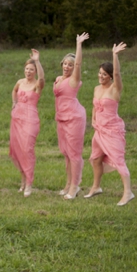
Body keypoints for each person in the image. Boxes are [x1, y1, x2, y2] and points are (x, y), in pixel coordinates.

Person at [84, 43, 134, 206]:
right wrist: (92, 120)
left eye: (104, 74)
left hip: (112, 130)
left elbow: (118, 73)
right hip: (99, 130)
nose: (101, 76)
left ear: (110, 76)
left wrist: (115, 55)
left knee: (118, 160)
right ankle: (96, 187)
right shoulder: (96, 88)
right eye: (99, 73)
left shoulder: (115, 89)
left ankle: (128, 193)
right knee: (96, 159)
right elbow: (94, 105)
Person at [53, 33, 89, 200]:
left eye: (71, 65)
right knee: (66, 153)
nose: (67, 67)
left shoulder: (74, 79)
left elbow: (79, 63)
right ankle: (68, 183)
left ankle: (75, 187)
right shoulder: (59, 79)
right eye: (65, 64)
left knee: (74, 154)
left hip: (74, 118)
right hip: (61, 118)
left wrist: (79, 44)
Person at [9, 49, 45, 197]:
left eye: (32, 69)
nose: (28, 71)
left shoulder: (37, 84)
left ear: (35, 71)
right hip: (17, 119)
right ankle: (23, 181)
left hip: (30, 119)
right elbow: (14, 91)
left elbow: (42, 79)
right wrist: (14, 103)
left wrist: (37, 60)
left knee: (27, 149)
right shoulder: (19, 82)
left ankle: (29, 183)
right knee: (18, 151)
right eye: (27, 69)